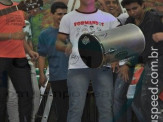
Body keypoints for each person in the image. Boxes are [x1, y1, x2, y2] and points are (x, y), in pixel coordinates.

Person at [55, 0, 120, 122]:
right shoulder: (68, 18)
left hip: (102, 66)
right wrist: (65, 46)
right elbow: (59, 41)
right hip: (77, 68)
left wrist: (115, 57)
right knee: (75, 108)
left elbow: (120, 39)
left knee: (106, 107)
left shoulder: (108, 17)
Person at [120, 0, 163, 121]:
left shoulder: (152, 20)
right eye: (128, 10)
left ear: (143, 5)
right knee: (135, 101)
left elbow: (148, 49)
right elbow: (127, 45)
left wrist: (128, 63)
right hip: (142, 62)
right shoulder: (129, 21)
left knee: (148, 98)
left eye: (135, 8)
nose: (132, 12)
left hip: (157, 59)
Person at [0, 0, 38, 121]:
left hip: (19, 57)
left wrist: (29, 51)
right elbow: (14, 34)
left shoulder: (18, 7)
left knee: (27, 94)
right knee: (2, 96)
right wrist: (11, 36)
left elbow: (20, 35)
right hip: (1, 57)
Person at [38, 2, 68, 122]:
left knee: (76, 109)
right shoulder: (45, 34)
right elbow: (42, 55)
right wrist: (41, 74)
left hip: (76, 77)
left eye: (65, 14)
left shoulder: (73, 32)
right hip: (57, 77)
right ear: (52, 14)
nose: (62, 17)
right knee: (61, 110)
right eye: (59, 14)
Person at [7, 18, 40, 122]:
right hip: (8, 61)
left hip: (25, 61)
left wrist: (30, 51)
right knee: (13, 96)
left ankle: (31, 119)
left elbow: (23, 40)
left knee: (35, 92)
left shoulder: (25, 22)